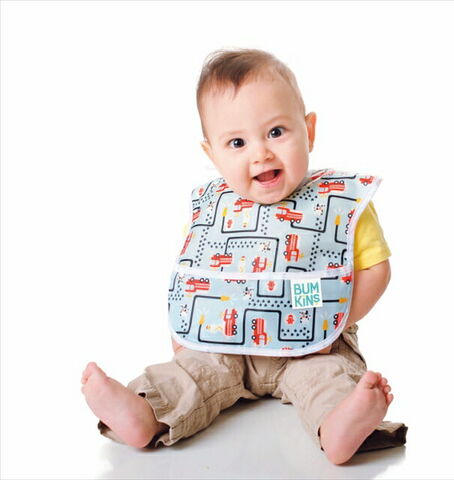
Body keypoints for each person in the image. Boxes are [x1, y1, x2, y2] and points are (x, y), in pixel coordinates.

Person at [81, 48, 407, 465]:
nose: (261, 153)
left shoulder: (338, 202)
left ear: (309, 131)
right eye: (237, 142)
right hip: (226, 341)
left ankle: (342, 425)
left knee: (329, 379)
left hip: (314, 345)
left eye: (276, 132)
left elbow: (376, 270)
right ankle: (146, 412)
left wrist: (335, 322)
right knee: (193, 373)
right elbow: (196, 274)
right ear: (212, 155)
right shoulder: (215, 208)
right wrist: (185, 338)